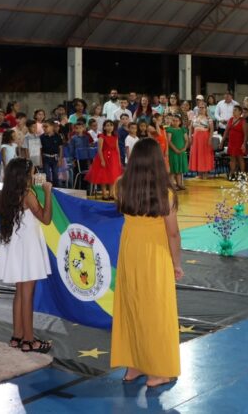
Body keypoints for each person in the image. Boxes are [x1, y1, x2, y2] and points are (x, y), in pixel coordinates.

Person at [111, 138, 183, 388]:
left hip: (129, 253)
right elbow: (173, 233)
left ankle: (135, 364)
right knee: (157, 312)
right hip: (155, 257)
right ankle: (158, 370)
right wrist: (177, 263)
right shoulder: (166, 194)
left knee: (132, 307)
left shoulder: (120, 186)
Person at [0, 159, 52, 354]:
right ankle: (29, 340)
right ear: (25, 176)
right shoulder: (28, 195)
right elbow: (46, 218)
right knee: (28, 295)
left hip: (17, 246)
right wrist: (48, 192)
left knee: (20, 292)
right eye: (32, 172)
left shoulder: (9, 193)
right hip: (28, 249)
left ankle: (16, 335)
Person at [87, 119, 123, 200]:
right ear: (104, 127)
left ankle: (111, 193)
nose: (109, 127)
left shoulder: (115, 137)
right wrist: (102, 160)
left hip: (113, 158)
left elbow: (117, 149)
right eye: (107, 125)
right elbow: (99, 150)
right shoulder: (102, 136)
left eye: (111, 125)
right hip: (104, 157)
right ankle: (104, 193)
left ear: (113, 127)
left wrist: (119, 160)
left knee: (113, 176)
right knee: (104, 176)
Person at [189, 98, 215, 177]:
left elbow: (211, 130)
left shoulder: (209, 119)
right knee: (197, 154)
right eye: (199, 107)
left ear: (206, 108)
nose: (201, 109)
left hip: (205, 138)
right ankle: (199, 172)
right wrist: (190, 136)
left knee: (205, 154)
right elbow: (190, 128)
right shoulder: (194, 118)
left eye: (203, 107)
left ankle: (206, 172)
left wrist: (210, 139)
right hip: (196, 138)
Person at [165, 115, 190, 191]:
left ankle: (179, 184)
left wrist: (184, 148)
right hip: (173, 152)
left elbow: (186, 140)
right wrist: (175, 150)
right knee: (173, 169)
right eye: (174, 120)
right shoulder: (169, 129)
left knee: (179, 169)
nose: (175, 122)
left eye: (177, 121)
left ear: (180, 122)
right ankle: (171, 185)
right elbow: (169, 141)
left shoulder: (183, 130)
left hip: (181, 152)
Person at [224, 106, 248, 177]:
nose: (233, 111)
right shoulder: (230, 119)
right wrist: (222, 141)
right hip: (231, 142)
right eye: (233, 110)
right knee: (232, 158)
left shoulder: (243, 121)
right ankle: (232, 173)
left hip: (239, 142)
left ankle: (243, 174)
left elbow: (245, 134)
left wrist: (244, 144)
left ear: (240, 112)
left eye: (235, 110)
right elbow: (226, 131)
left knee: (240, 158)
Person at [40, 122, 62, 186]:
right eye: (43, 127)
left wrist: (60, 159)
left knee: (55, 175)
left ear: (52, 127)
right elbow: (40, 150)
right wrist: (40, 160)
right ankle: (48, 190)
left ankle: (55, 190)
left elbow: (60, 148)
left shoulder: (58, 136)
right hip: (45, 158)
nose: (44, 128)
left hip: (55, 158)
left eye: (46, 126)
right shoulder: (42, 137)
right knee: (47, 175)